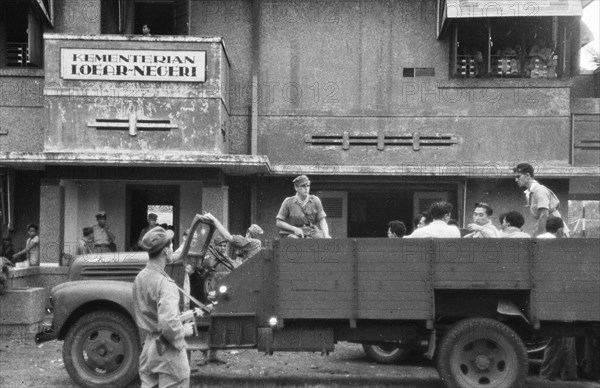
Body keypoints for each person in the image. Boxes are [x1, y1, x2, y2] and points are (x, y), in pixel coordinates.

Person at [133, 226, 193, 388]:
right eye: (171, 246)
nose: (173, 249)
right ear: (166, 252)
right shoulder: (166, 284)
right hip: (167, 349)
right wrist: (184, 332)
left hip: (149, 349)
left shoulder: (141, 277)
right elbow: (168, 324)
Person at [535, 216, 577, 381]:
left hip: (541, 293)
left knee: (560, 336)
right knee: (565, 333)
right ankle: (558, 374)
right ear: (560, 230)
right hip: (557, 294)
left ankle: (561, 373)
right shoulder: (559, 244)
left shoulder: (537, 240)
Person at [513, 163, 569, 237]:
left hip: (557, 232)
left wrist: (539, 237)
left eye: (518, 176)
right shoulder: (530, 192)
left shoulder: (539, 190)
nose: (516, 180)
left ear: (528, 175)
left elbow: (544, 215)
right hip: (549, 230)